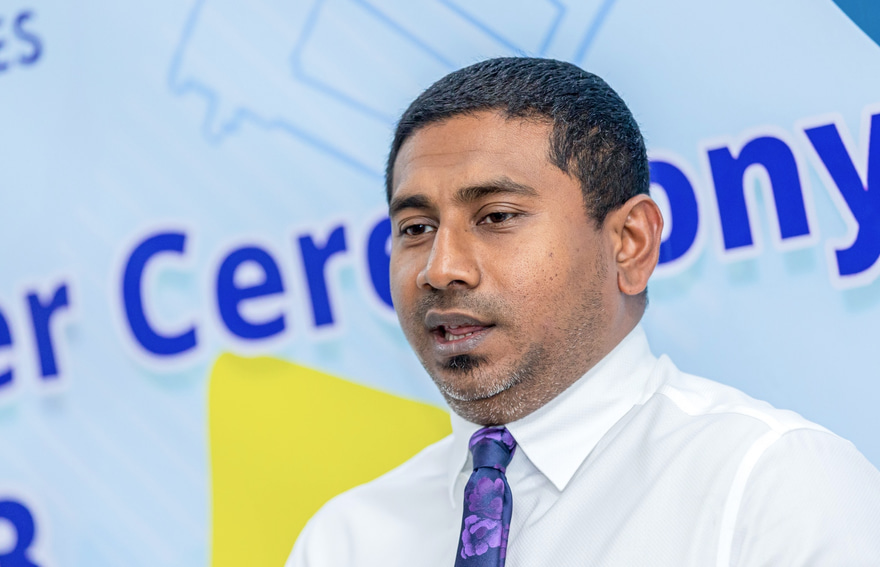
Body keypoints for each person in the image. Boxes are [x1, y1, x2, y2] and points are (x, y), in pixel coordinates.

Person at [286, 58, 880, 566]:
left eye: (497, 217)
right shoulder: (346, 540)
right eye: (416, 228)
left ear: (630, 243)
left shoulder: (773, 487)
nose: (441, 269)